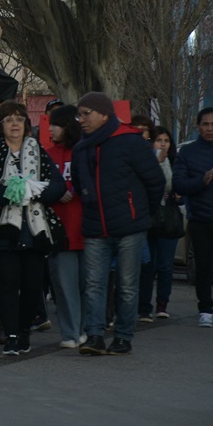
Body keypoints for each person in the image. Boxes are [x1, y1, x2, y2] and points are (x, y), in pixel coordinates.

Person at [0, 102, 66, 355]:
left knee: (34, 286)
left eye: (19, 119)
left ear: (26, 124)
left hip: (34, 231)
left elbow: (58, 185)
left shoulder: (39, 152)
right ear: (0, 126)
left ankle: (23, 329)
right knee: (7, 284)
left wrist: (35, 191)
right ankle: (11, 335)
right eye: (9, 120)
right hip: (3, 230)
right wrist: (8, 193)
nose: (15, 124)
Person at [71, 92, 164, 356]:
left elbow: (154, 181)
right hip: (95, 227)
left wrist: (141, 213)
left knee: (126, 285)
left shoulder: (130, 141)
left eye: (86, 113)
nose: (82, 119)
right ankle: (95, 336)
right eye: (80, 114)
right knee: (94, 285)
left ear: (105, 114)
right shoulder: (82, 148)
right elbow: (79, 186)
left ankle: (123, 337)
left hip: (129, 227)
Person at [172, 107, 213, 328]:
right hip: (199, 217)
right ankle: (205, 309)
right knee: (203, 266)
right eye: (205, 124)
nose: (209, 128)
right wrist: (201, 181)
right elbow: (178, 183)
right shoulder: (187, 152)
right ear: (198, 126)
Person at [44, 105, 86, 348]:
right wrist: (56, 193)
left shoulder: (85, 151)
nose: (51, 129)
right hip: (59, 231)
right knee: (64, 285)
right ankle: (70, 333)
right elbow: (38, 186)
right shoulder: (47, 154)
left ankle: (84, 330)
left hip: (87, 229)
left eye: (56, 124)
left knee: (86, 285)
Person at [147, 126, 179, 319]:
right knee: (148, 264)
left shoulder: (175, 162)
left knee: (166, 265)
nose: (163, 144)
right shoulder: (146, 162)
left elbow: (178, 185)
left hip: (168, 218)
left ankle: (162, 303)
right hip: (150, 217)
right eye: (159, 140)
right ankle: (144, 304)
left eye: (166, 141)